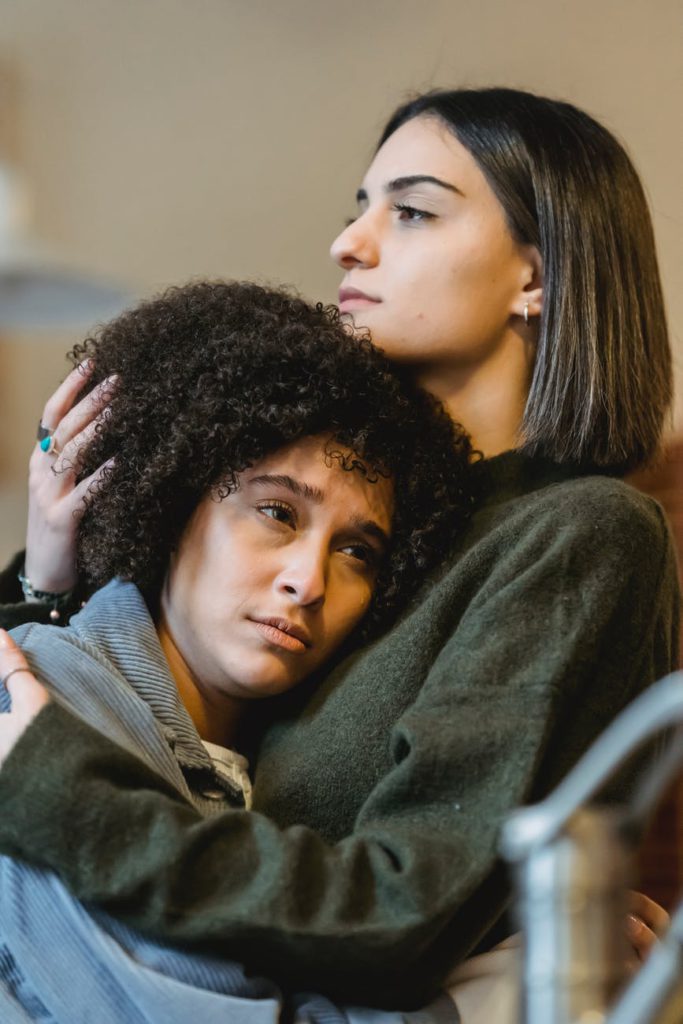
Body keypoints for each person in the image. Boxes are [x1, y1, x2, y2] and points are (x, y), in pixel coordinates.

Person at [0, 87, 678, 1016]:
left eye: (410, 210)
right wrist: (47, 580)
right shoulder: (382, 521)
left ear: (538, 274)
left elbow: (403, 913)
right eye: (358, 209)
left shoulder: (579, 536)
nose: (349, 244)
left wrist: (56, 794)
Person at [0, 278, 473, 1023]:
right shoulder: (41, 698)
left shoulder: (265, 786)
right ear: (173, 500)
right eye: (277, 513)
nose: (308, 581)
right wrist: (472, 1002)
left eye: (357, 551)